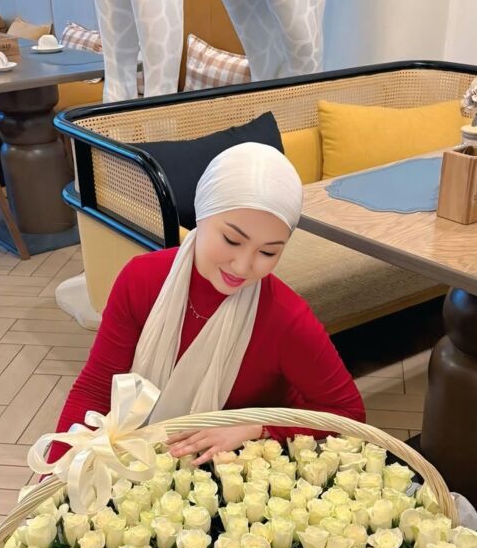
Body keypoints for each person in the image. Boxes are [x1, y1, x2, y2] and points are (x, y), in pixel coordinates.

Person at [49, 142, 364, 467]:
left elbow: (347, 412)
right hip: (145, 457)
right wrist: (57, 475)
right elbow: (96, 389)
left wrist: (258, 427)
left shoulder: (284, 317)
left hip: (240, 469)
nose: (242, 267)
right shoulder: (142, 280)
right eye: (231, 240)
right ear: (202, 214)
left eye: (268, 252)